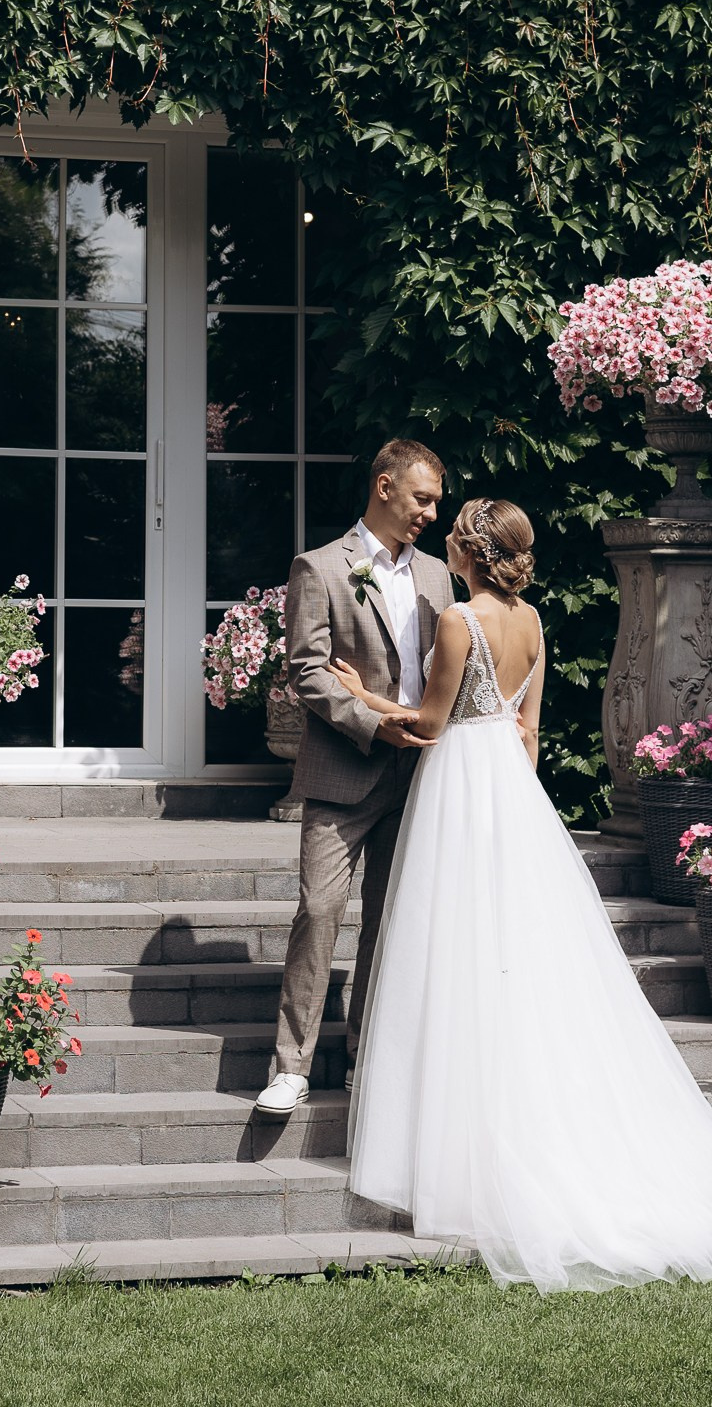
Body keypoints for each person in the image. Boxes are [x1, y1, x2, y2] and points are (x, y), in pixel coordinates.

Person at [328, 497, 712, 1290]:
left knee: (454, 951)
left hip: (459, 788)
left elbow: (431, 724)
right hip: (512, 791)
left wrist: (360, 693)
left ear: (470, 552)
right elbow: (530, 731)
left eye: (454, 534)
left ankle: (457, 1158)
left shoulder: (455, 622)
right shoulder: (536, 623)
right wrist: (510, 790)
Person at [253, 440, 455, 1119]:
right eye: (423, 497)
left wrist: (414, 728)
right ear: (385, 485)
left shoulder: (437, 576)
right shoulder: (319, 567)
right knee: (319, 912)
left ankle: (367, 1058)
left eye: (436, 500)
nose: (432, 511)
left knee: (389, 924)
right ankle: (291, 1066)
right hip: (342, 772)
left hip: (416, 773)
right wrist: (370, 723)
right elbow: (307, 672)